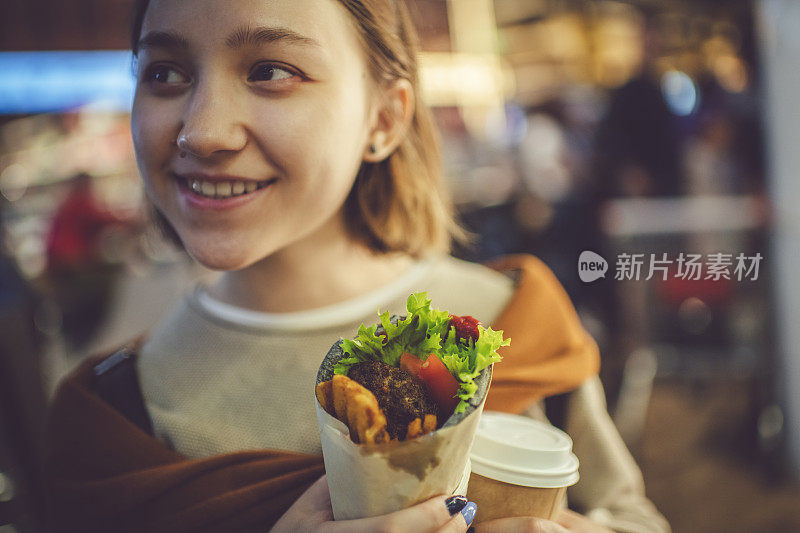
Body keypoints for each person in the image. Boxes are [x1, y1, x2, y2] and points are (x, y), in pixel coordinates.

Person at [44, 1, 670, 532]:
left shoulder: (517, 319)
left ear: (385, 117)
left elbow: (630, 514)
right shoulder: (109, 415)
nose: (202, 132)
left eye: (270, 70)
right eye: (165, 72)